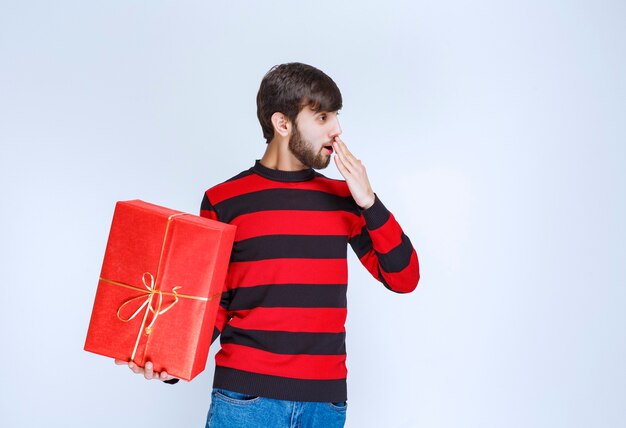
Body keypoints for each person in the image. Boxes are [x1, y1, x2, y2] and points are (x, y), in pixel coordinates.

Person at [116, 62, 420, 428]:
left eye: (336, 116)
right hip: (245, 401)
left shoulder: (346, 199)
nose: (337, 129)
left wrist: (370, 202)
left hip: (324, 406)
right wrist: (169, 363)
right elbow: (214, 302)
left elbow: (404, 278)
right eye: (322, 117)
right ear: (283, 124)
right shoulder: (224, 200)